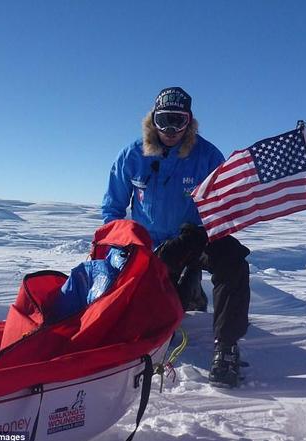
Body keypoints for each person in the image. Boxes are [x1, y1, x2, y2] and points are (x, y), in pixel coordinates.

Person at [102, 87, 250, 387]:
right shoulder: (132, 155)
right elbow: (113, 209)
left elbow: (222, 209)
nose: (170, 130)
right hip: (150, 248)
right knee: (156, 318)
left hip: (195, 240)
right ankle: (181, 295)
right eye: (164, 120)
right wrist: (125, 247)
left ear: (189, 122)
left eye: (178, 121)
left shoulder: (207, 156)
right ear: (152, 121)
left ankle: (226, 347)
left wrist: (196, 237)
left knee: (233, 259)